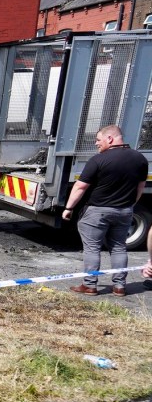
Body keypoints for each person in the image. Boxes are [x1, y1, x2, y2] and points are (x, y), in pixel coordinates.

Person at [62, 124, 148, 296]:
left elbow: (80, 186)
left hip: (97, 212)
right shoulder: (140, 159)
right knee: (119, 248)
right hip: (124, 212)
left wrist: (68, 208)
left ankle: (90, 285)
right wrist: (129, 205)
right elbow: (140, 188)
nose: (96, 143)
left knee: (92, 248)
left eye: (98, 140)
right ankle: (119, 286)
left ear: (110, 139)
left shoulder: (98, 160)